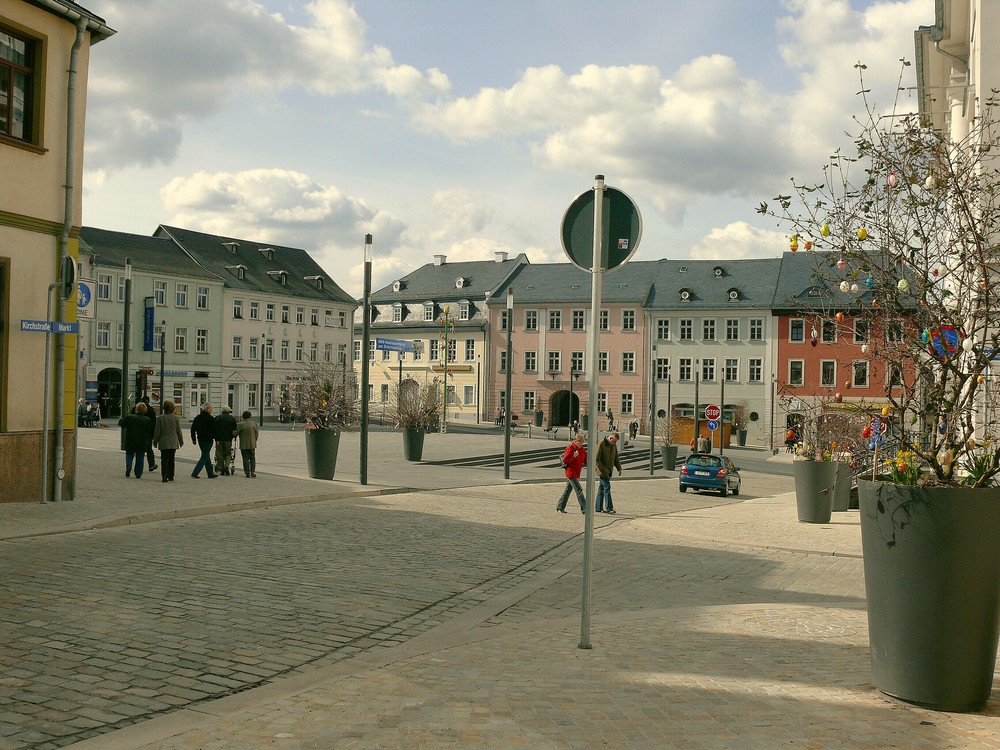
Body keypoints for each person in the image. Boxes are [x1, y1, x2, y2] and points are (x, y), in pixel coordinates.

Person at [118, 402, 152, 479]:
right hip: (142, 442)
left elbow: (121, 424)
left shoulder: (130, 417)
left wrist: (120, 419)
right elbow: (149, 430)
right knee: (140, 457)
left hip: (130, 440)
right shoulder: (147, 420)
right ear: (145, 410)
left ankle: (128, 466)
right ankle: (138, 473)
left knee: (129, 454)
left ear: (136, 409)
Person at [152, 399, 183, 482]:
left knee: (164, 459)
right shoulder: (176, 418)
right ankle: (171, 476)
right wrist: (181, 441)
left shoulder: (159, 418)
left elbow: (157, 431)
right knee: (171, 459)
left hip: (163, 442)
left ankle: (164, 476)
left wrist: (155, 441)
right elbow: (179, 430)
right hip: (173, 441)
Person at [556, 432, 587, 514]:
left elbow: (585, 460)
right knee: (579, 490)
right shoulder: (570, 448)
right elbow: (565, 460)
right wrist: (574, 457)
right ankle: (584, 507)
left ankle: (560, 506)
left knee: (568, 490)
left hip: (576, 472)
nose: (580, 444)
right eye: (579, 442)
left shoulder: (582, 450)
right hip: (571, 472)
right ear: (575, 441)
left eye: (582, 442)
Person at [595, 432, 623, 514]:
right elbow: (597, 459)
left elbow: (616, 458)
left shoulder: (613, 446)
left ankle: (598, 507)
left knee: (601, 489)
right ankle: (609, 507)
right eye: (614, 441)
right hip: (602, 471)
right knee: (607, 487)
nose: (615, 443)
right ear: (610, 438)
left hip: (609, 470)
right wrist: (602, 470)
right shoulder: (601, 444)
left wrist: (619, 468)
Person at [190, 403, 218, 479]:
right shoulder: (211, 419)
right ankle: (195, 472)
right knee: (204, 456)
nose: (212, 410)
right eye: (211, 409)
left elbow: (193, 429)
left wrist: (193, 439)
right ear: (208, 409)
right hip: (208, 440)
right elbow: (214, 430)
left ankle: (210, 473)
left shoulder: (197, 418)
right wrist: (216, 439)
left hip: (200, 439)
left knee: (206, 456)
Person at [214, 405, 238, 476]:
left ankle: (220, 467)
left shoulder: (218, 418)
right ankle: (227, 465)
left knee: (219, 453)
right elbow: (235, 428)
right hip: (228, 439)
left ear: (222, 410)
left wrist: (215, 438)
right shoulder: (232, 418)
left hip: (219, 439)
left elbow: (214, 428)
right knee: (228, 453)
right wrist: (233, 435)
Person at [235, 410, 260, 478]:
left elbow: (236, 433)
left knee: (245, 458)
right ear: (250, 416)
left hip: (244, 444)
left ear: (243, 417)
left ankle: (247, 472)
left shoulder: (241, 424)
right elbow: (257, 433)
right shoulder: (254, 423)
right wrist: (254, 440)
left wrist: (232, 432)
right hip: (252, 443)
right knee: (252, 458)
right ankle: (252, 471)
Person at [140, 397, 157, 471]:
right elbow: (154, 423)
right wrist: (153, 435)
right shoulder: (151, 410)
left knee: (140, 450)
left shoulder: (136, 408)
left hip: (138, 433)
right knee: (149, 449)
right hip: (148, 433)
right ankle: (151, 465)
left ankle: (139, 466)